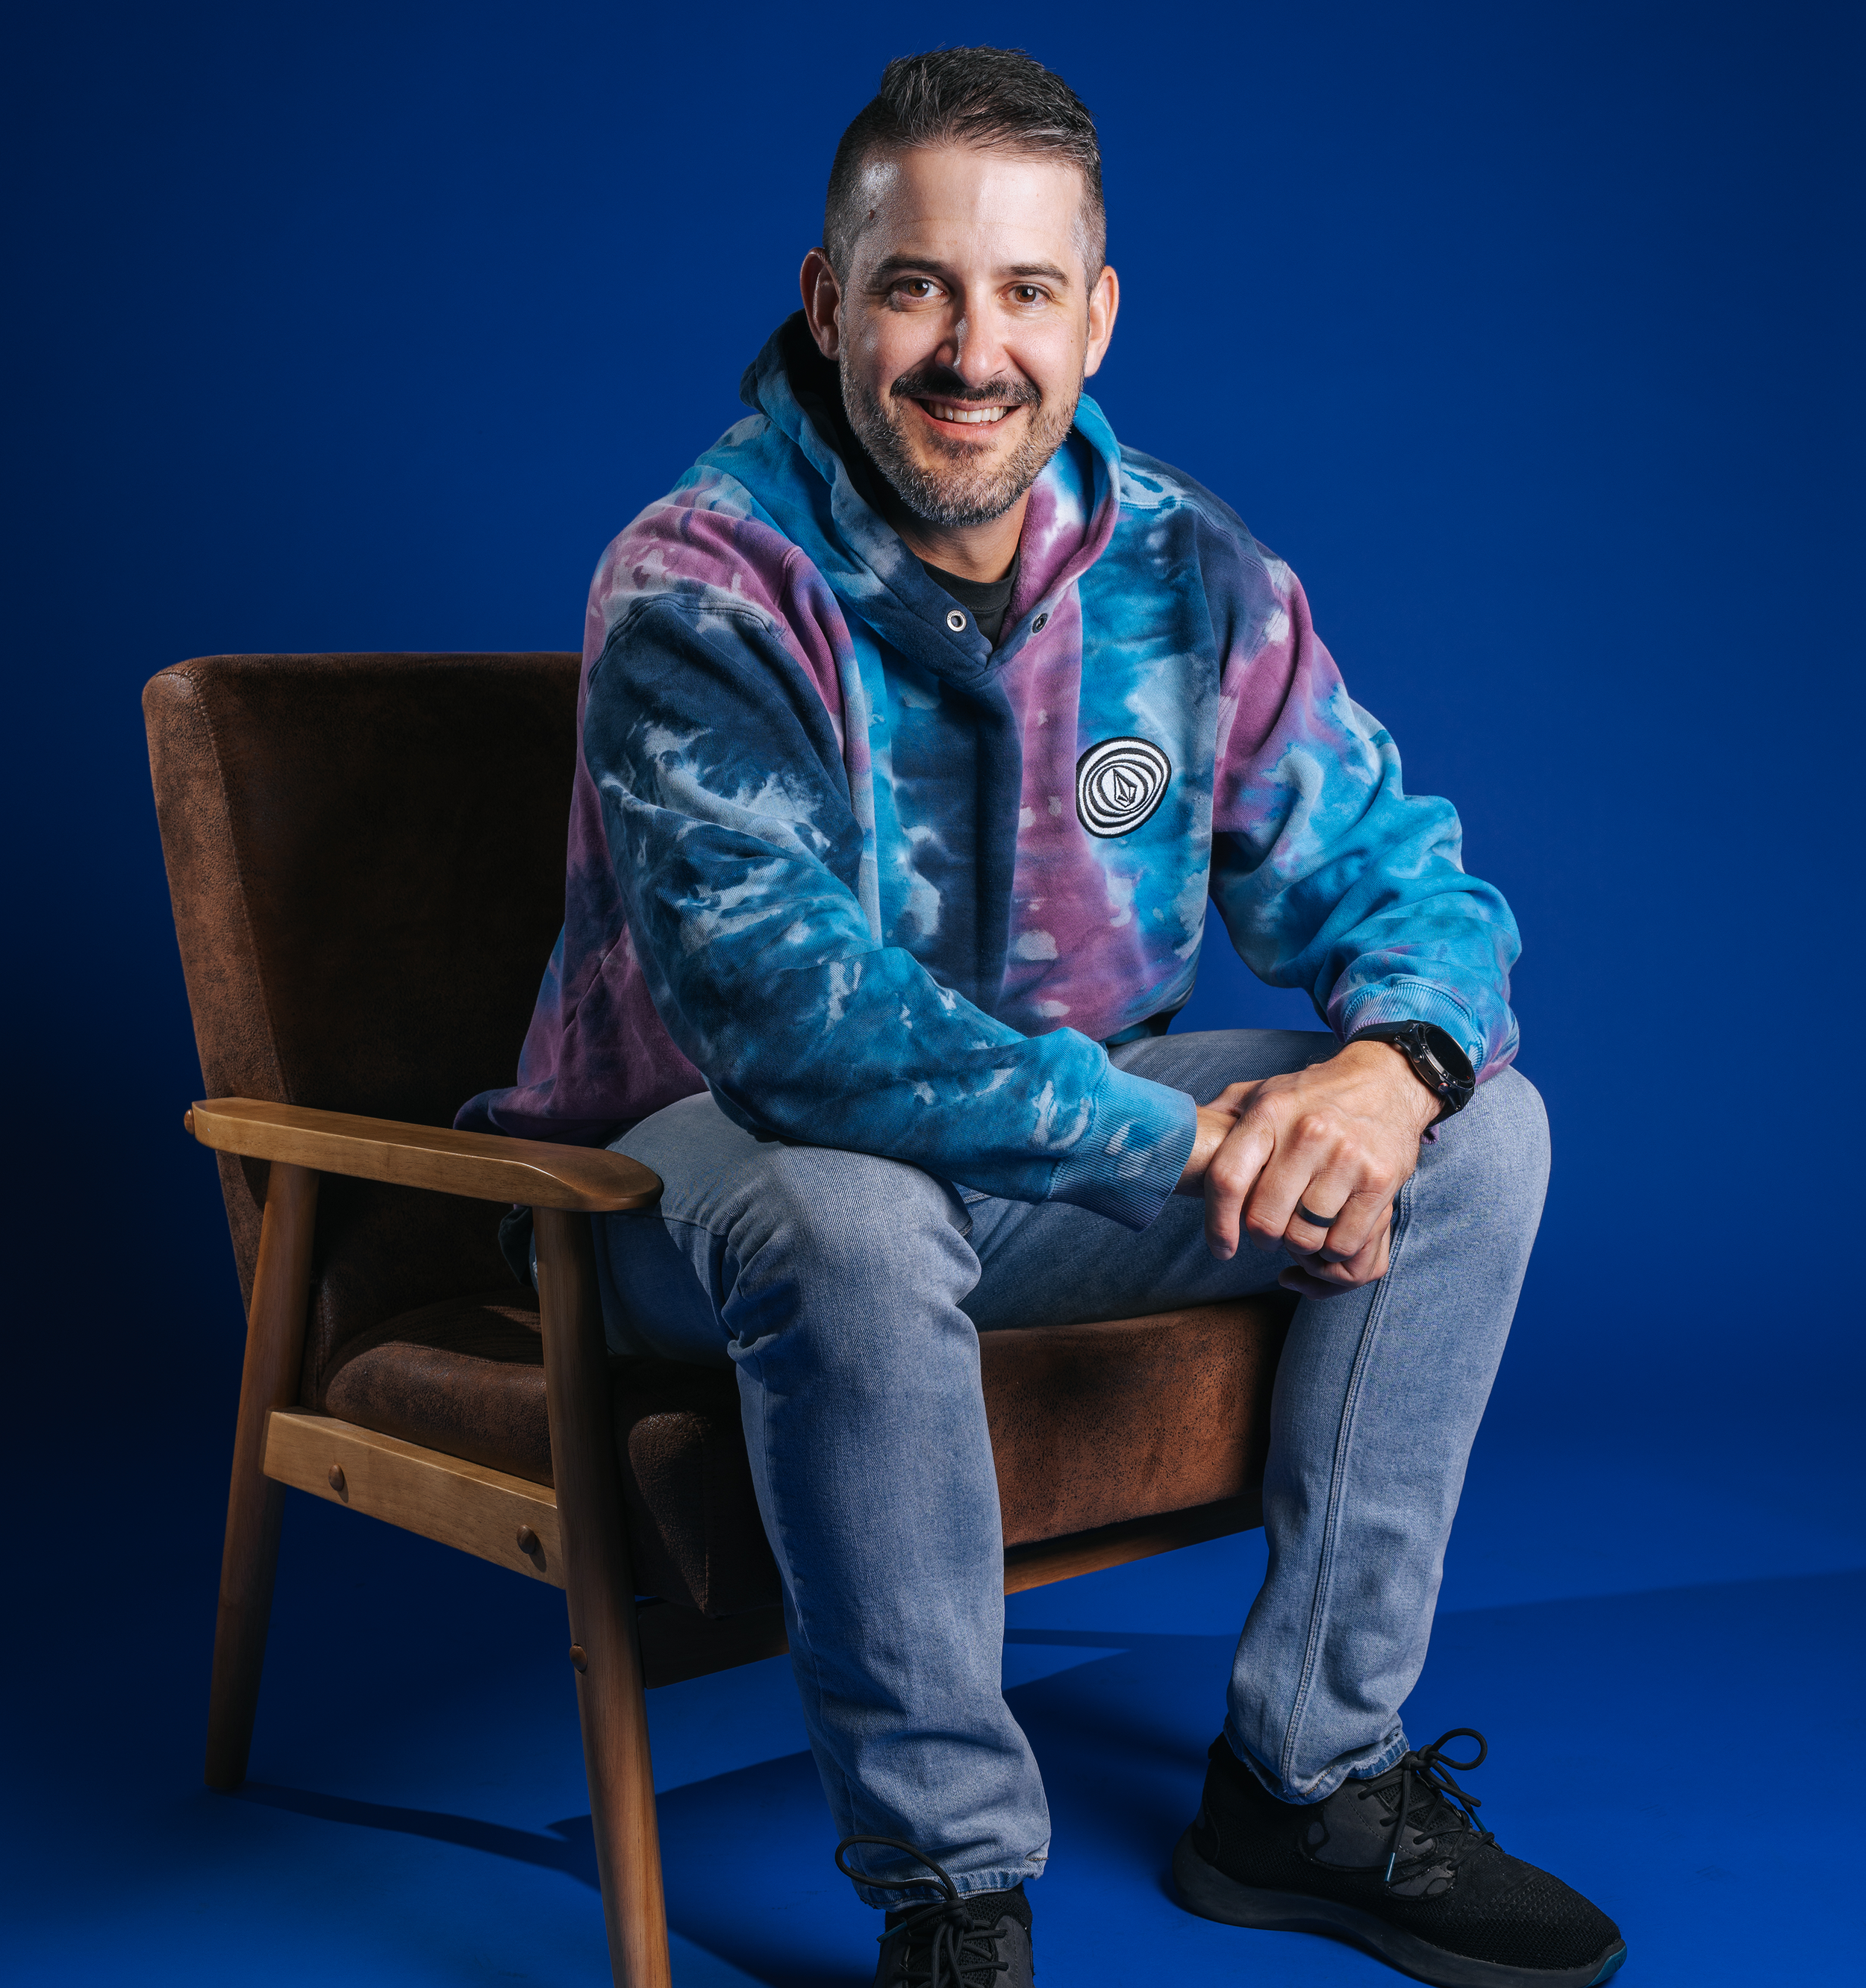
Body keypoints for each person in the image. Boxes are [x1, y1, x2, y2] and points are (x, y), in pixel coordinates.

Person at [461, 46, 1625, 1988]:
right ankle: (950, 1893)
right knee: (850, 1202)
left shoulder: (1192, 583)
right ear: (830, 303)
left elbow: (1392, 871)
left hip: (1040, 1162)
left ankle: (1305, 1785)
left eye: (1020, 290)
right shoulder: (701, 591)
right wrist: (1204, 1142)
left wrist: (1384, 1064)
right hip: (679, 1179)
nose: (967, 347)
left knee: (1475, 1131)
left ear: (1093, 315)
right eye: (914, 284)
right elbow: (796, 1029)